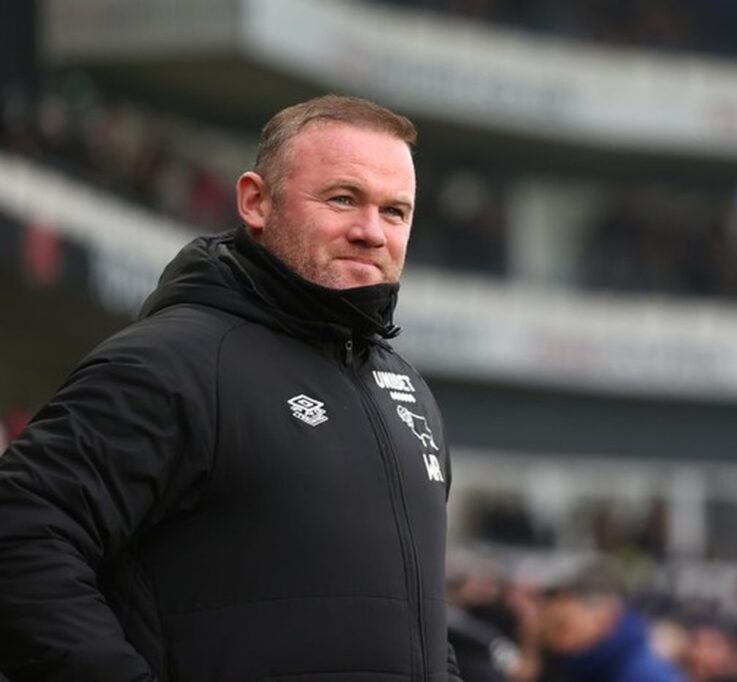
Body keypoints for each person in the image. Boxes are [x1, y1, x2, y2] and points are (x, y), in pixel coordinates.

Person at [0, 95, 462, 681]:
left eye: (394, 211)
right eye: (343, 199)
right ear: (255, 201)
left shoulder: (409, 393)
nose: (371, 231)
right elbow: (19, 534)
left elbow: (418, 622)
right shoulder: (172, 364)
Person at [539, 561, 683, 682]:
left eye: (562, 627)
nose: (557, 643)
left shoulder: (640, 674)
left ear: (604, 614)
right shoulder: (590, 666)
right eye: (547, 633)